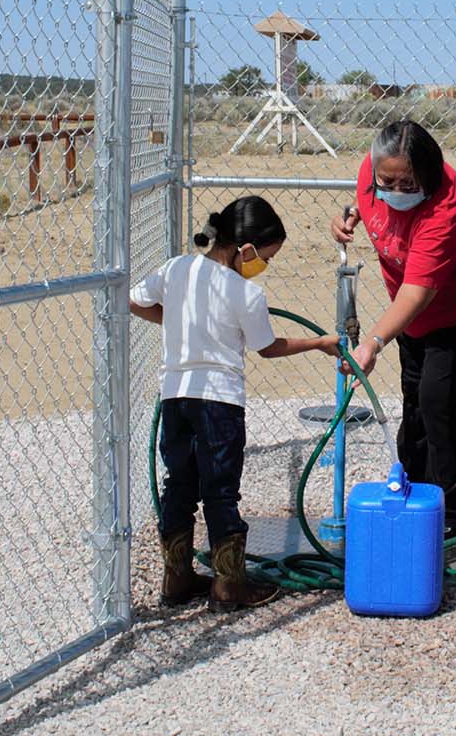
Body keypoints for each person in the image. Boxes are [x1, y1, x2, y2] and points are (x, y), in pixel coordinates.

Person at [130, 195, 337, 611]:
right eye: (266, 257)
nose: (265, 265)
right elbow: (267, 347)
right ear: (245, 250)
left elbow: (135, 300)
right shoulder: (246, 292)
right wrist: (319, 343)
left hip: (175, 396)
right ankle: (229, 585)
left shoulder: (177, 267)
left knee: (179, 484)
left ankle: (177, 578)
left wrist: (174, 321)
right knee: (221, 491)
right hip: (220, 403)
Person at [331, 119, 456, 539]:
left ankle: (450, 514)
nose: (394, 189)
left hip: (453, 313)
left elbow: (417, 292)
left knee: (438, 405)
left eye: (407, 182)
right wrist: (350, 215)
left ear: (427, 174)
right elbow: (365, 199)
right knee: (414, 401)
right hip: (408, 318)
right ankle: (412, 493)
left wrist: (373, 342)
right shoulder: (374, 173)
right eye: (386, 180)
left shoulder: (447, 205)